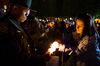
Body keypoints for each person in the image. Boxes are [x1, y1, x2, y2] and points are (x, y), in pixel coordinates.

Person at [0, 0, 50, 66]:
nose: (27, 15)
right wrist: (41, 58)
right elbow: (15, 55)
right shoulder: (5, 26)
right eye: (25, 12)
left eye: (28, 12)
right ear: (15, 9)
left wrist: (40, 51)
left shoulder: (18, 24)